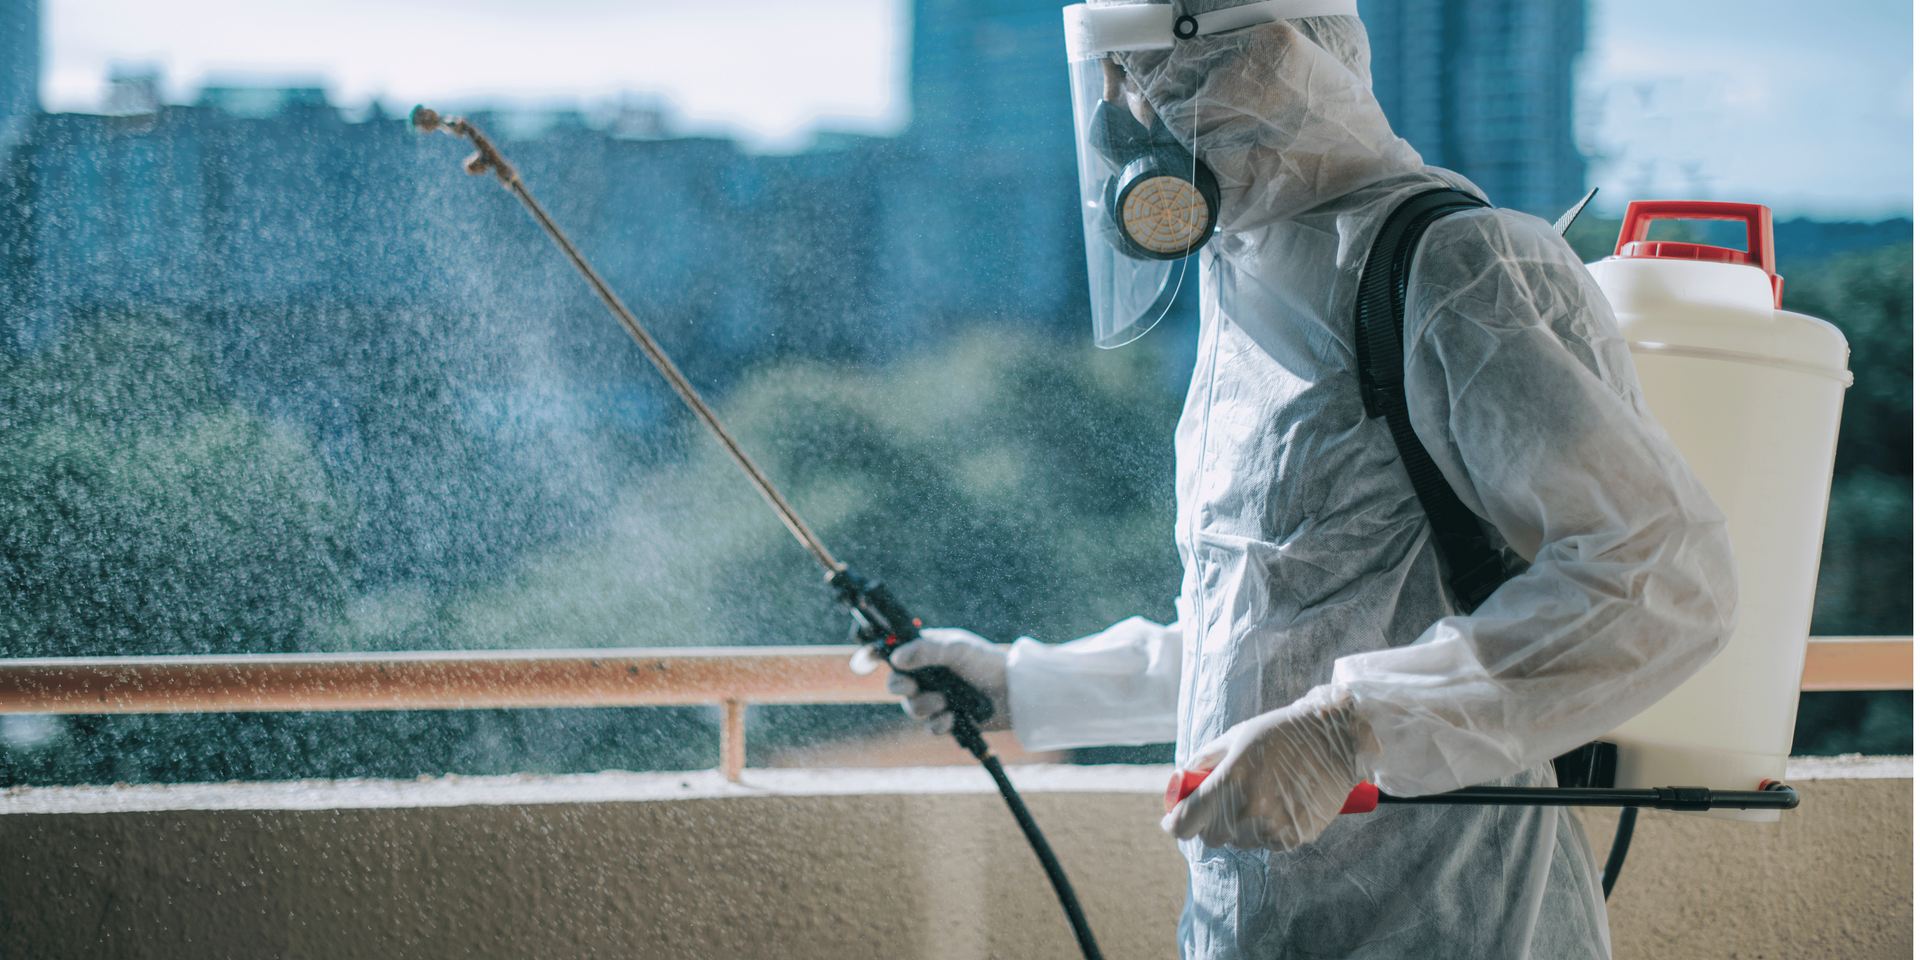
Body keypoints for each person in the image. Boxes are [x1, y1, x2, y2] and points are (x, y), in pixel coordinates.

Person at [865, 2, 1738, 957]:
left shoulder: (1458, 265)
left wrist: (1350, 728)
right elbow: (1272, 630)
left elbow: (1660, 583)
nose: (1127, 119)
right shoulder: (1245, 277)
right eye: (1115, 83)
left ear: (1264, 59)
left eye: (1154, 76)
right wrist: (1024, 685)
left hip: (1455, 927)